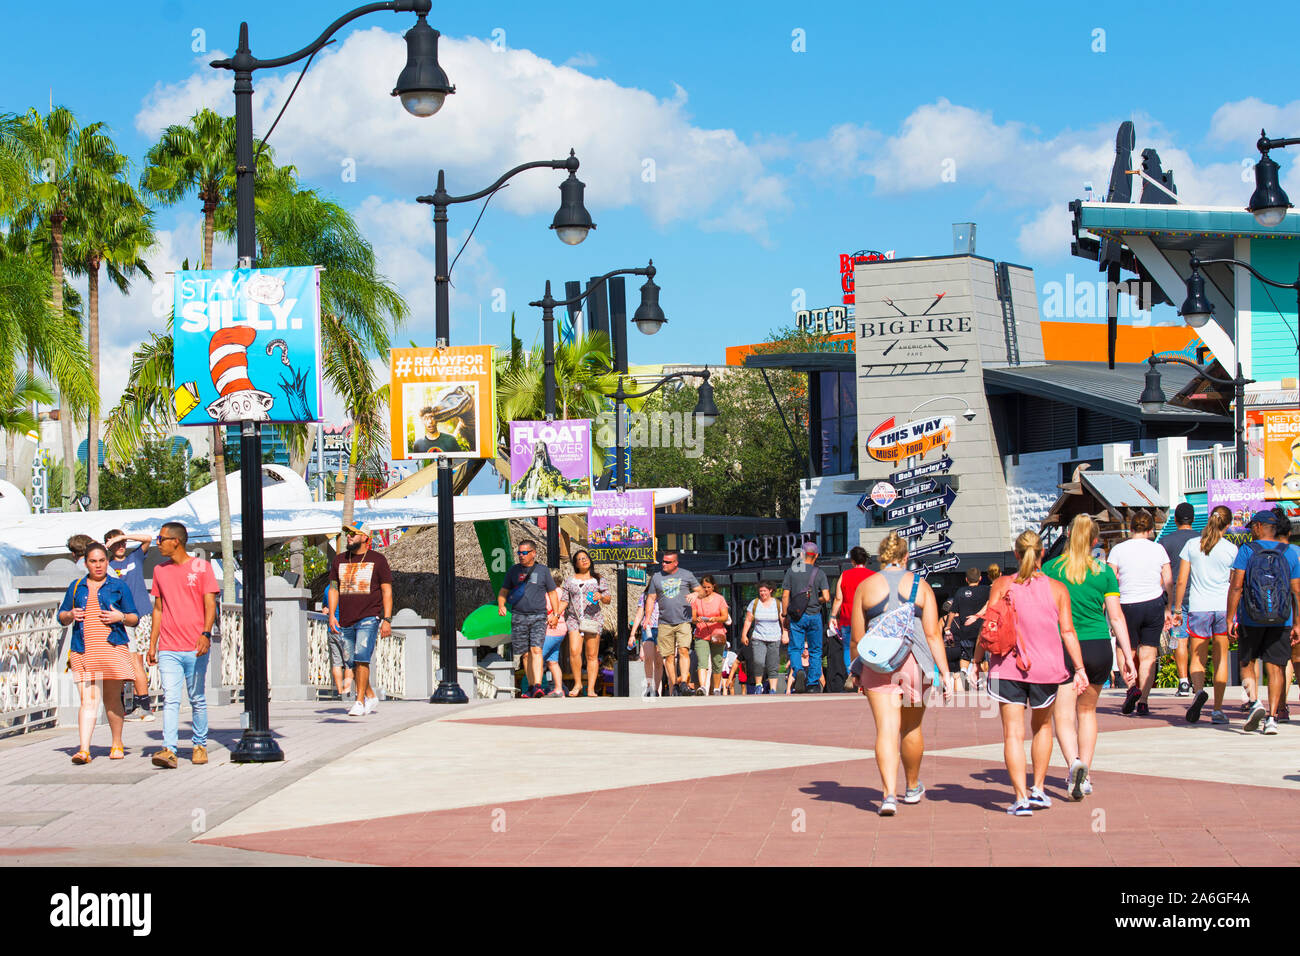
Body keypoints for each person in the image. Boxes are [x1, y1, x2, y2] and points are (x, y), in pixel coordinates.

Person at [986, 530, 1089, 816]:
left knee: (1013, 734)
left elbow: (991, 623)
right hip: (1047, 668)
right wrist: (1079, 668)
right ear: (1043, 553)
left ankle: (1020, 799)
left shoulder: (1002, 584)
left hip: (1007, 666)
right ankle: (1039, 790)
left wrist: (976, 659)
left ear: (1016, 554)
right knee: (1043, 728)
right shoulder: (1057, 589)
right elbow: (1068, 631)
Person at [850, 532, 952, 816]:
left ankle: (888, 796)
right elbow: (933, 634)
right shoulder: (921, 586)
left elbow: (856, 638)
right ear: (906, 557)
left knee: (885, 730)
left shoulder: (866, 586)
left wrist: (856, 669)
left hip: (876, 665)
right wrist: (945, 673)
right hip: (913, 662)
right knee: (911, 728)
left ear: (881, 557)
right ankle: (912, 786)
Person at [1043, 515, 1137, 800]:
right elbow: (1117, 617)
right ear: (1096, 540)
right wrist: (1129, 657)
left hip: (1064, 646)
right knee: (1087, 713)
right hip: (1098, 646)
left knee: (1063, 714)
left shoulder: (1050, 569)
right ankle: (1086, 776)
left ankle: (1074, 765)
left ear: (1068, 535)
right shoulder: (1105, 572)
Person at [59, 542, 140, 764]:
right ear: (85, 563)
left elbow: (134, 617)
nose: (98, 565)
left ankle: (117, 742)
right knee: (88, 701)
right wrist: (70, 614)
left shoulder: (118, 586)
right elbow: (61, 616)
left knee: (112, 700)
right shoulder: (76, 587)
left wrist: (120, 617)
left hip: (112, 648)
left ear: (107, 561)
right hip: (83, 649)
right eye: (93, 561)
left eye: (102, 561)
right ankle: (84, 750)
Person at [148, 523, 218, 768]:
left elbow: (210, 604)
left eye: (161, 538)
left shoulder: (202, 568)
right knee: (170, 699)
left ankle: (199, 745)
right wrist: (152, 643)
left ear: (175, 541)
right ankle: (169, 749)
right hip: (169, 647)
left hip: (195, 645)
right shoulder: (159, 570)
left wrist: (206, 634)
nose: (158, 543)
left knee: (197, 697)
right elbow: (158, 609)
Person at [1226, 510, 1300, 734]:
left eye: (1252, 527)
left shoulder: (1247, 550)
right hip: (1281, 619)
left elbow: (1237, 586)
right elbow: (1297, 591)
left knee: (1247, 662)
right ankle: (1273, 718)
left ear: (1259, 527)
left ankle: (1255, 701)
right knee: (1276, 666)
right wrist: (1297, 623)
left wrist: (1230, 618)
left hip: (1251, 617)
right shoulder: (1289, 553)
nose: (1250, 531)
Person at [1172, 506, 1238, 725]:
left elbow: (1182, 580)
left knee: (1197, 656)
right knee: (1220, 659)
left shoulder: (1192, 545)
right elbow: (1234, 584)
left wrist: (1177, 607)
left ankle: (1199, 691)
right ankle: (1218, 710)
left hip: (1199, 607)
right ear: (1227, 526)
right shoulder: (1231, 549)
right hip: (1222, 608)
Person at [1108, 511, 1172, 717]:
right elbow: (1168, 578)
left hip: (1126, 603)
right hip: (1153, 603)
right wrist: (1169, 607)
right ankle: (1143, 700)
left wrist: (1108, 607)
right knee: (1148, 655)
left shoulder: (1118, 550)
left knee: (1125, 649)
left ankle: (1131, 687)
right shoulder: (1158, 549)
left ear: (1130, 528)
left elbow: (1110, 578)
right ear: (1151, 529)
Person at [329, 520, 393, 717]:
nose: (348, 536)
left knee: (361, 657)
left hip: (369, 617)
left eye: (353, 533)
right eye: (347, 533)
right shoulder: (339, 560)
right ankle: (371, 695)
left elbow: (386, 591)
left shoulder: (378, 560)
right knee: (351, 662)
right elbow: (333, 588)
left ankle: (359, 701)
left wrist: (387, 619)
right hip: (346, 619)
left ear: (365, 537)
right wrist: (332, 614)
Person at [104, 529, 157, 721]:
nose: (120, 547)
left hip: (141, 614)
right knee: (126, 661)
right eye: (115, 544)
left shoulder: (135, 558)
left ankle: (142, 704)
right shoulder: (107, 566)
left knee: (138, 662)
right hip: (122, 617)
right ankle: (130, 703)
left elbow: (148, 539)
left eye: (122, 543)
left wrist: (124, 537)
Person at [498, 538, 560, 698]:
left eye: (525, 553)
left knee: (536, 650)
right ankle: (532, 686)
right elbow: (503, 591)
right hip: (518, 616)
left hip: (539, 615)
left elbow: (552, 592)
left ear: (533, 553)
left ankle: (538, 685)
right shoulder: (513, 571)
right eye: (519, 553)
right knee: (525, 654)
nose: (521, 555)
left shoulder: (543, 570)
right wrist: (501, 605)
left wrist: (555, 613)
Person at [644, 551, 702, 696]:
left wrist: (695, 594)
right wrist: (647, 618)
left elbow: (701, 591)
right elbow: (651, 598)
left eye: (667, 562)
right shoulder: (657, 577)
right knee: (668, 656)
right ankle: (674, 684)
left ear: (676, 563)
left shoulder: (687, 574)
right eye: (663, 561)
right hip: (664, 622)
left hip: (683, 620)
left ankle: (683, 682)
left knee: (683, 650)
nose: (663, 564)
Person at [1160, 502, 1199, 696]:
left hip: (1176, 599)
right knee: (1198, 641)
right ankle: (1198, 681)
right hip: (1201, 596)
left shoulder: (1166, 542)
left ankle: (1183, 682)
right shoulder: (1202, 540)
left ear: (1175, 520)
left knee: (1180, 640)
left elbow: (1160, 572)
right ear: (1193, 519)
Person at [782, 541, 831, 694]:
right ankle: (812, 684)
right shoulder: (820, 573)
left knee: (796, 648)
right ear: (816, 556)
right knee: (816, 650)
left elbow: (785, 595)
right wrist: (815, 600)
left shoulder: (792, 571)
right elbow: (827, 597)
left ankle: (798, 671)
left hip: (797, 616)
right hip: (814, 615)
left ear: (802, 555)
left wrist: (785, 614)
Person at [562, 549, 610, 697]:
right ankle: (577, 684)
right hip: (574, 619)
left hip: (593, 619)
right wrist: (556, 614)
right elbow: (564, 600)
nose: (584, 560)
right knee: (575, 651)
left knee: (591, 655)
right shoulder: (570, 580)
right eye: (580, 559)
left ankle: (590, 688)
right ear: (576, 564)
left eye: (586, 558)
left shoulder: (598, 579)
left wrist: (601, 596)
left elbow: (608, 599)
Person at [828, 547, 873, 692]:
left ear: (852, 561)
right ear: (865, 560)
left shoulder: (845, 575)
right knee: (867, 647)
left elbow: (838, 598)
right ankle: (867, 678)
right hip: (866, 617)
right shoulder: (873, 576)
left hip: (848, 617)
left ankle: (852, 675)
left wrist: (833, 616)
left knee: (848, 647)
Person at [741, 580, 786, 694]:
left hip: (774, 638)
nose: (762, 593)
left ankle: (773, 688)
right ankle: (758, 685)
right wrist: (744, 634)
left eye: (765, 591)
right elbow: (748, 620)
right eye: (760, 591)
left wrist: (785, 633)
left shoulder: (777, 604)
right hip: (758, 637)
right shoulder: (754, 603)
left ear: (770, 590)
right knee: (758, 662)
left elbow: (783, 620)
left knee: (773, 663)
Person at [949, 567, 989, 690]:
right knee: (982, 658)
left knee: (965, 656)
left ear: (966, 579)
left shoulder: (960, 592)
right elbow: (992, 602)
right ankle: (983, 681)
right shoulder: (986, 590)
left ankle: (964, 674)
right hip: (981, 631)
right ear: (980, 579)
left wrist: (947, 626)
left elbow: (952, 611)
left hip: (965, 631)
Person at [692, 575, 731, 695]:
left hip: (717, 634)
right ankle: (703, 687)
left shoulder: (719, 599)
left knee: (717, 661)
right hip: (701, 633)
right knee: (702, 661)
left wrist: (716, 619)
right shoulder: (697, 599)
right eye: (704, 587)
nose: (706, 590)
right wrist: (696, 619)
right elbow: (692, 617)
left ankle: (716, 688)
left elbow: (725, 616)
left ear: (713, 586)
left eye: (709, 587)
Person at [321, 575, 353, 701]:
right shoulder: (349, 589)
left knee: (337, 662)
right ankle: (346, 690)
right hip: (346, 629)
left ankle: (339, 691)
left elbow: (325, 609)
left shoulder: (328, 589)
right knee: (349, 663)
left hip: (332, 630)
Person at [628, 590, 662, 697]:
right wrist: (632, 634)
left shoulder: (665, 594)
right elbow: (638, 615)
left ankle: (656, 689)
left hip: (662, 628)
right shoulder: (645, 595)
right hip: (647, 628)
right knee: (647, 658)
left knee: (659, 661)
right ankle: (649, 686)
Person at [541, 573, 569, 697]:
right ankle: (558, 689)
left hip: (551, 628)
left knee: (538, 658)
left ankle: (535, 686)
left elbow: (545, 608)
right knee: (552, 661)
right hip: (561, 628)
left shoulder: (549, 593)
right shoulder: (562, 592)